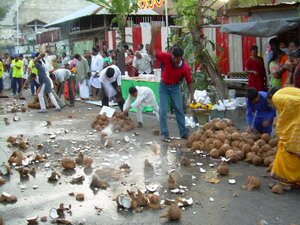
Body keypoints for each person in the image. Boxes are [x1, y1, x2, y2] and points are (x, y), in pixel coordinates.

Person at [149, 27, 194, 141]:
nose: (174, 60)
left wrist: (192, 95)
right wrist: (153, 37)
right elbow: (151, 52)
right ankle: (165, 134)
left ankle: (183, 133)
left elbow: (189, 82)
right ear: (172, 55)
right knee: (163, 110)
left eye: (177, 59)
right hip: (163, 86)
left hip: (175, 88)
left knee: (179, 109)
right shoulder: (167, 57)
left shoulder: (185, 68)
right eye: (173, 57)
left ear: (181, 58)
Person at [270, 87, 300, 187]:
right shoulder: (284, 93)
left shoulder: (277, 98)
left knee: (286, 148)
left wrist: (279, 125)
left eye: (270, 103)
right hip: (296, 120)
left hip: (296, 126)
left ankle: (289, 179)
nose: (271, 106)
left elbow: (285, 117)